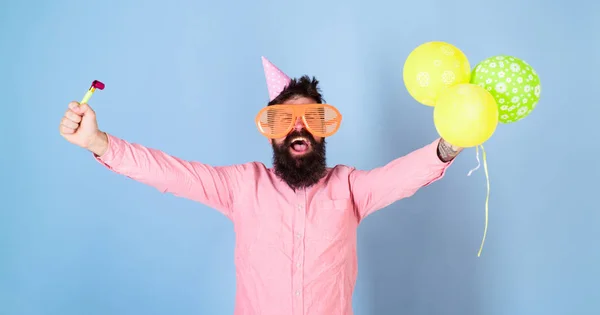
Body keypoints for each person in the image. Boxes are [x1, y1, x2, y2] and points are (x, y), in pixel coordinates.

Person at [58, 57, 462, 315]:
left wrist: (449, 144)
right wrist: (97, 142)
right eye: (284, 122)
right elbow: (170, 173)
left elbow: (403, 176)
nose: (298, 128)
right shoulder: (241, 186)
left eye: (311, 120)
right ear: (271, 134)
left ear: (324, 132)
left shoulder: (351, 189)